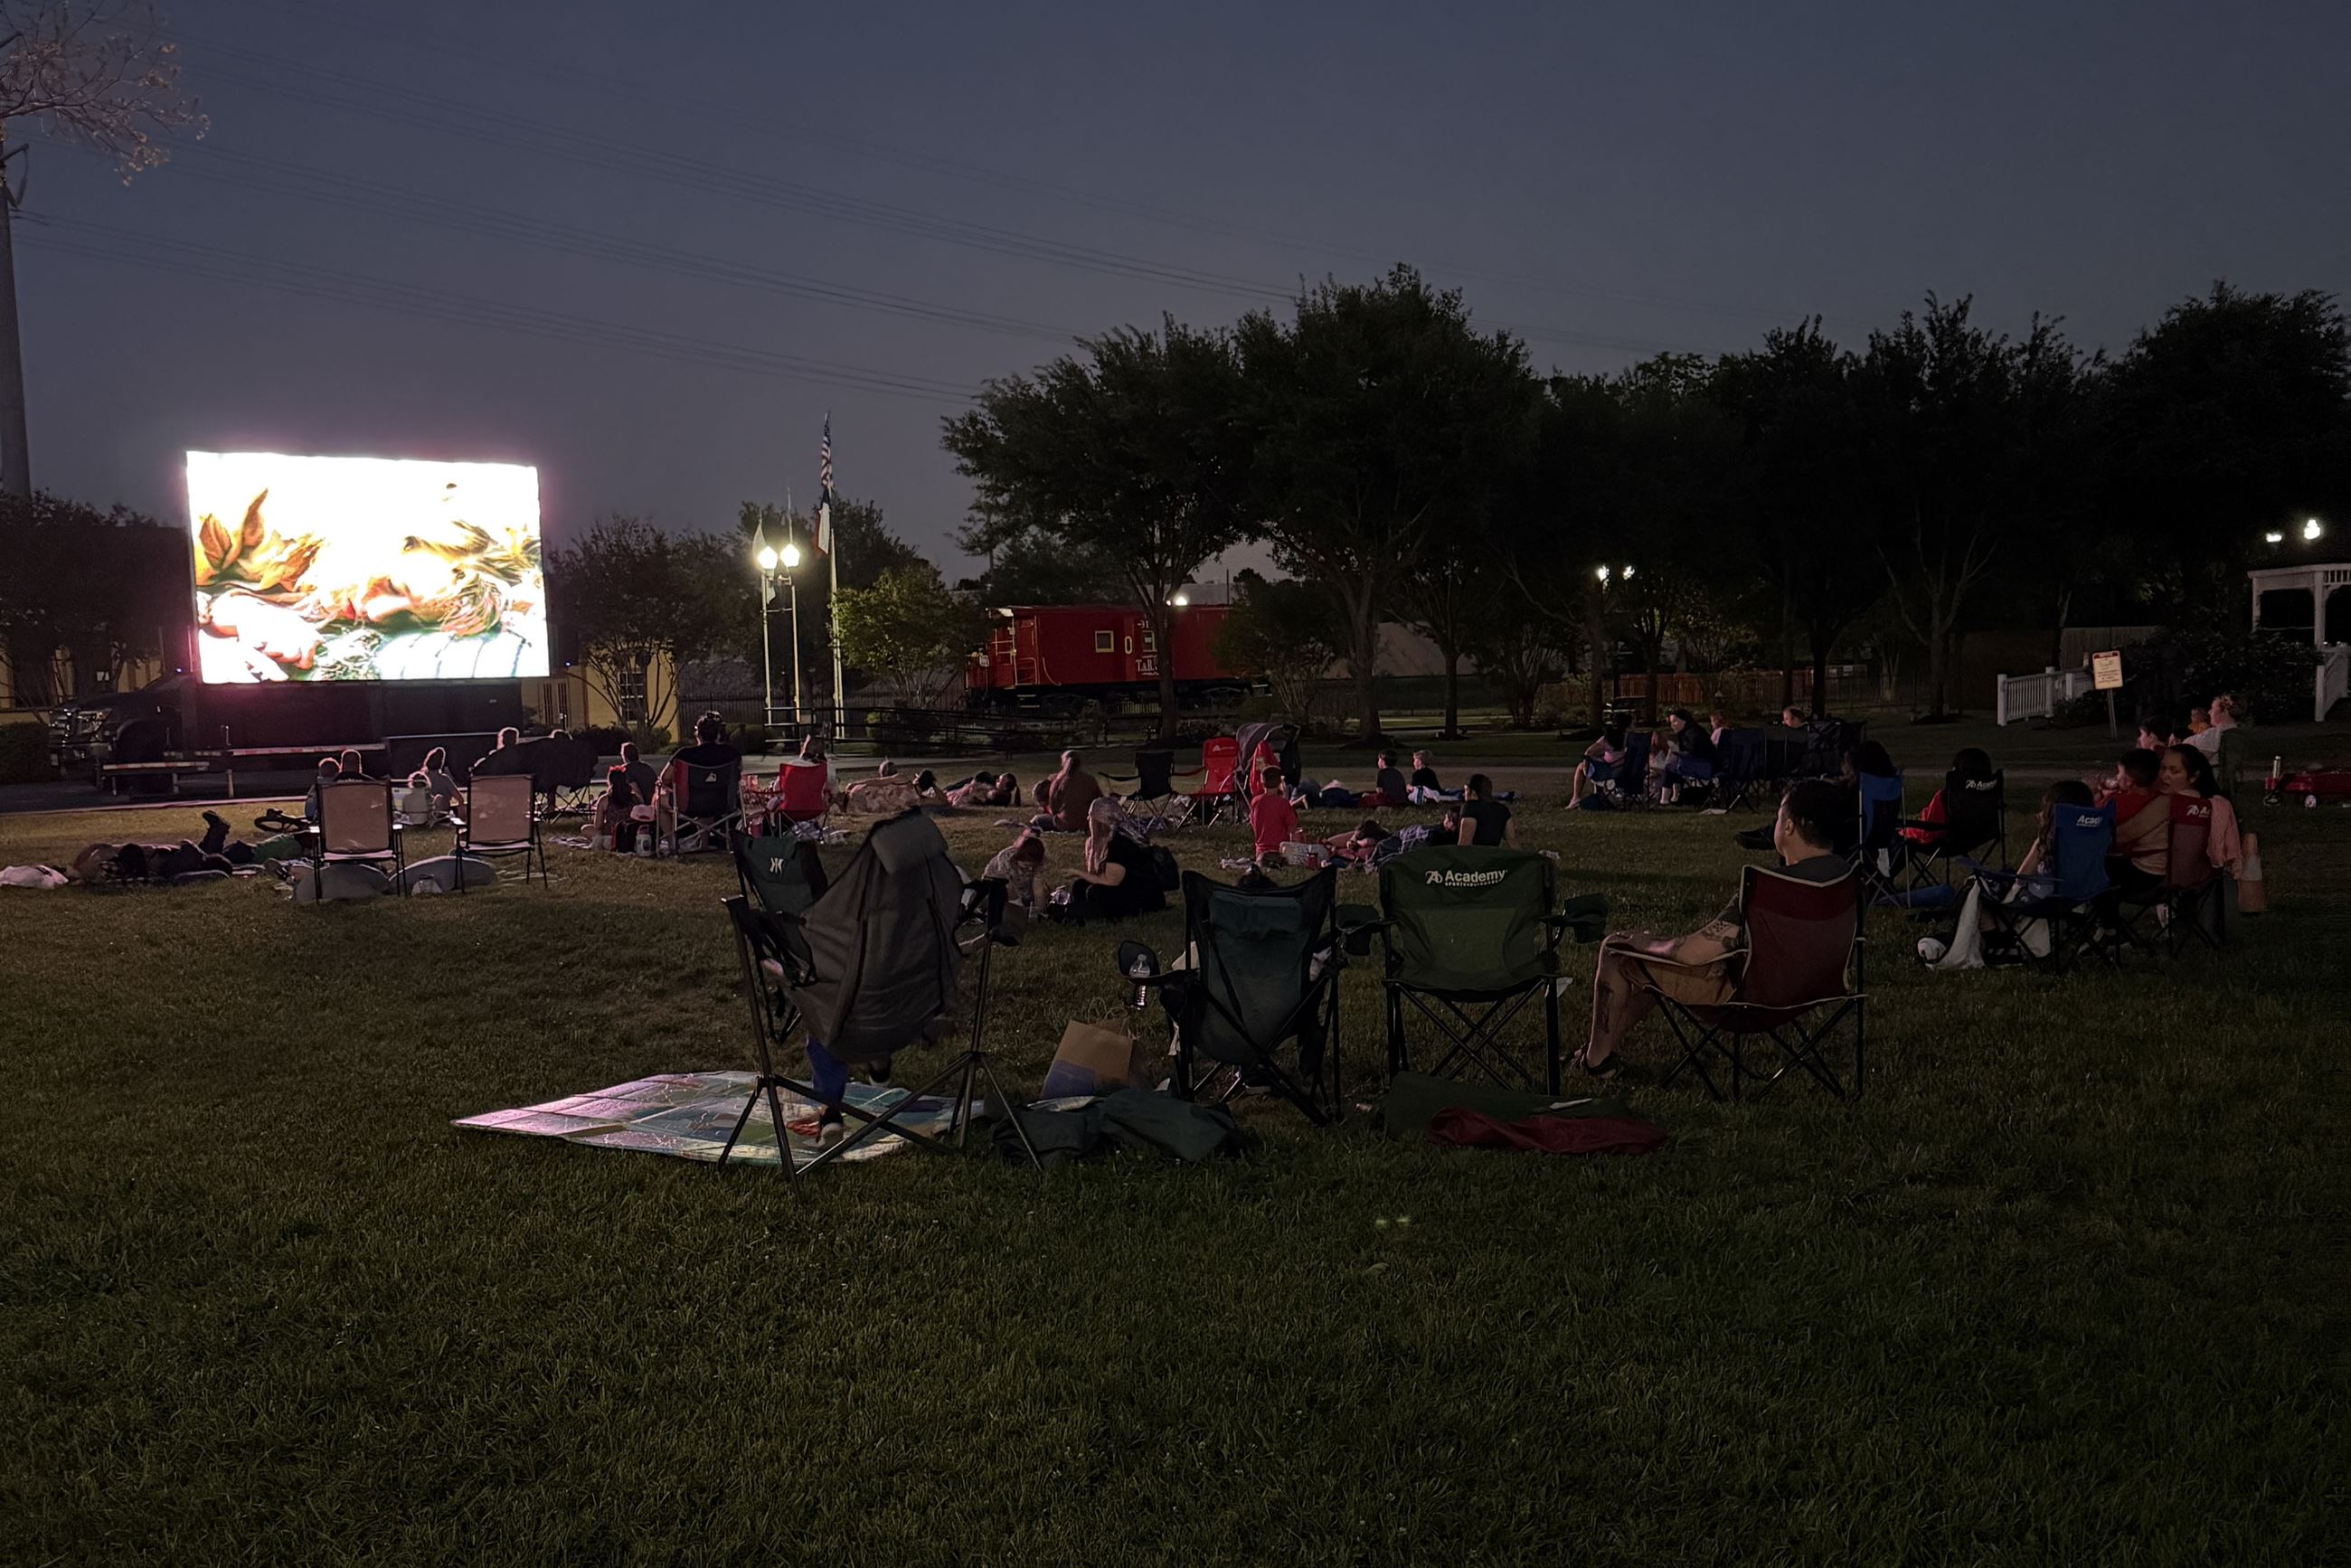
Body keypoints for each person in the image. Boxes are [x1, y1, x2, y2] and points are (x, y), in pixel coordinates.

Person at [1576, 779, 1852, 1078]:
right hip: (1813, 990)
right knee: (1650, 966)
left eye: (1778, 816)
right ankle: (1596, 1049)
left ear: (1789, 826)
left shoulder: (1769, 889)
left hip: (1750, 1002)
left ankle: (1595, 1062)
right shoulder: (1845, 876)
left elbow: (1692, 954)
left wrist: (1642, 942)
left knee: (1616, 950)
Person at [1061, 797, 1165, 923]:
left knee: (1095, 892)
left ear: (1099, 822)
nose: (1088, 819)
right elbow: (1096, 875)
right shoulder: (1098, 842)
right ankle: (1082, 911)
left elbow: (1110, 881)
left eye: (1090, 816)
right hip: (1120, 886)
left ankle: (1094, 912)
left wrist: (1077, 872)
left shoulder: (1119, 844)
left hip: (1140, 894)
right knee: (1079, 886)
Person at [2158, 743, 2242, 875]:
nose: (2165, 775)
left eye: (2174, 771)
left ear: (2193, 776)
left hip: (2201, 877)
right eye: (2163, 768)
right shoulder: (2156, 800)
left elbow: (2232, 854)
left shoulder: (2216, 806)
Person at [2101, 749, 2169, 902]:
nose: (2117, 777)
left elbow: (2098, 818)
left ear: (2129, 781)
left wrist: (2100, 795)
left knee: (2092, 868)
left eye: (2119, 772)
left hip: (2143, 874)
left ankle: (2104, 914)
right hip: (2163, 872)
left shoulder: (2119, 803)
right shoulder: (2156, 799)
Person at [1901, 747, 1993, 846]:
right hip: (1980, 836)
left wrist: (1902, 830)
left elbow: (1928, 833)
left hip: (1945, 839)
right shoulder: (1988, 793)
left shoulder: (1946, 797)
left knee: (1895, 837)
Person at [982, 828, 1050, 912]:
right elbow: (1008, 886)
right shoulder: (1005, 859)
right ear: (1017, 859)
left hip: (1023, 890)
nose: (1030, 869)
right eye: (1026, 866)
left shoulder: (1039, 861)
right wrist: (1019, 908)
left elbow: (1038, 886)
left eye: (1033, 866)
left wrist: (1039, 910)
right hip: (1000, 888)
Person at [1660, 709, 1716, 801]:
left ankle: (1664, 799)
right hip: (1706, 764)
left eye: (1675, 721)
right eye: (1671, 723)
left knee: (1670, 766)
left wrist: (1677, 750)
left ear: (1684, 720)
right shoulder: (1690, 730)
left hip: (1705, 766)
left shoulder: (1693, 733)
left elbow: (1693, 751)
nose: (1672, 725)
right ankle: (1675, 796)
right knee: (1674, 764)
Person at [1041, 751, 1103, 832]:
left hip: (1064, 823)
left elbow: (1054, 809)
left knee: (1037, 819)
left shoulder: (1058, 781)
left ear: (1064, 763)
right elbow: (1099, 801)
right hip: (1086, 823)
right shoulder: (1090, 780)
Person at [1249, 765, 1298, 863]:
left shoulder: (1255, 801)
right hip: (1280, 850)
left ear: (1262, 782)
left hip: (1260, 851)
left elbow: (1253, 822)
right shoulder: (1283, 803)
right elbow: (1292, 827)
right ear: (1279, 782)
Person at [1568, 725, 1627, 806]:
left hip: (1610, 773)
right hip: (1624, 771)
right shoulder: (1631, 740)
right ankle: (1598, 794)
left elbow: (1588, 752)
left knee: (1581, 766)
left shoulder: (1609, 739)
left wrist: (1588, 761)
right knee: (1597, 764)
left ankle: (1576, 798)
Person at [1455, 773, 1516, 848]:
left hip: (1476, 854)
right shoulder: (1503, 810)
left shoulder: (1470, 807)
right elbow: (1513, 842)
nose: (1464, 794)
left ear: (1473, 793)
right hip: (1493, 853)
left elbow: (1464, 844)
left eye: (1466, 791)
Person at [593, 765, 640, 853]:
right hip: (630, 833)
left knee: (585, 829)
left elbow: (598, 825)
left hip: (611, 834)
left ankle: (609, 842)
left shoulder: (605, 799)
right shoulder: (634, 798)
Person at [675, 711, 740, 768]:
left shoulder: (683, 755)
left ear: (698, 735)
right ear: (718, 735)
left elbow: (669, 775)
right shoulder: (732, 753)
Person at [2187, 694, 2237, 759]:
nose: (2209, 712)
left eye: (2212, 708)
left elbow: (2186, 748)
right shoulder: (2233, 730)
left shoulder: (2217, 733)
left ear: (2224, 712)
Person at [618, 741, 658, 806]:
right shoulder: (647, 767)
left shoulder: (625, 770)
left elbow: (636, 790)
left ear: (625, 756)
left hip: (641, 805)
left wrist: (643, 805)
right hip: (655, 802)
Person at [302, 756, 340, 822]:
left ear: (321, 771)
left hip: (319, 821)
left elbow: (309, 811)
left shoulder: (316, 788)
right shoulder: (341, 786)